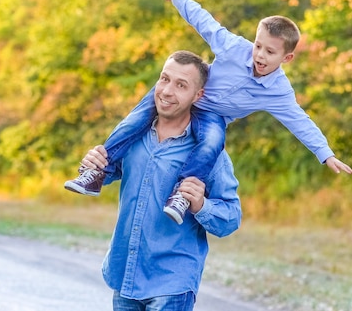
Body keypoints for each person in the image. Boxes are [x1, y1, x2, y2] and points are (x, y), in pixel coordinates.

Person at [65, 0, 352, 224]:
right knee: (136, 120)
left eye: (270, 52)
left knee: (213, 140)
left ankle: (181, 194)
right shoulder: (233, 47)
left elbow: (299, 120)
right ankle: (97, 171)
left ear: (286, 58)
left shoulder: (278, 91)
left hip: (211, 116)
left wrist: (325, 153)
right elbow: (205, 23)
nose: (260, 55)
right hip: (188, 95)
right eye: (258, 46)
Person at [80, 50, 242, 311]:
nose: (166, 91)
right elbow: (106, 171)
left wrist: (200, 205)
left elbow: (231, 218)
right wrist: (93, 161)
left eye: (181, 85)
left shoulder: (209, 153)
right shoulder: (133, 137)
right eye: (164, 79)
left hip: (172, 282)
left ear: (197, 96)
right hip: (125, 274)